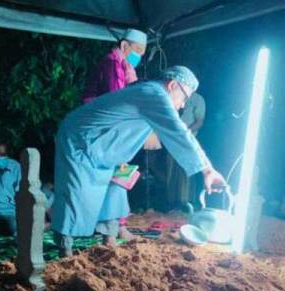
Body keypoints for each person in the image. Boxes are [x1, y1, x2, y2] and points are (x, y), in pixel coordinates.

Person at [52, 66, 226, 256]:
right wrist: (207, 170)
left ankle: (108, 239)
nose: (184, 104)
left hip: (105, 149)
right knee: (76, 193)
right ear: (172, 85)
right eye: (185, 97)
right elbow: (179, 132)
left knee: (114, 188)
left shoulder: (151, 96)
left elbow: (157, 136)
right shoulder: (154, 94)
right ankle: (65, 250)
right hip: (80, 140)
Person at [83, 28, 151, 242]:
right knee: (113, 178)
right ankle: (109, 233)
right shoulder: (112, 63)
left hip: (108, 128)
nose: (139, 57)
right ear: (124, 46)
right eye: (137, 51)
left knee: (120, 175)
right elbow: (117, 101)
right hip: (100, 129)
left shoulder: (122, 65)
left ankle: (118, 226)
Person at [166, 91, 207, 208]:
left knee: (186, 171)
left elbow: (199, 121)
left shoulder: (198, 99)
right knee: (171, 171)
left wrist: (185, 133)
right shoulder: (173, 96)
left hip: (188, 141)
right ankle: (172, 202)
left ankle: (186, 202)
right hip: (172, 140)